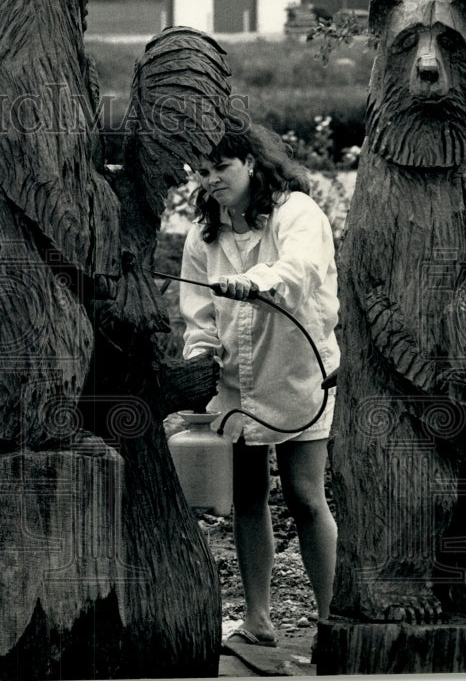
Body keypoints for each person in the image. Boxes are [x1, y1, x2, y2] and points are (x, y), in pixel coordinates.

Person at [178, 121, 339, 650]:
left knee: (304, 495)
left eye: (221, 167)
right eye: (203, 172)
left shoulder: (296, 212)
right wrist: (200, 362)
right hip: (234, 382)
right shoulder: (206, 234)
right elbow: (200, 319)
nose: (212, 180)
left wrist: (255, 281)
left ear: (251, 161)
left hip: (296, 371)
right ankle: (258, 620)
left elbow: (300, 270)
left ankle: (332, 622)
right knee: (246, 497)